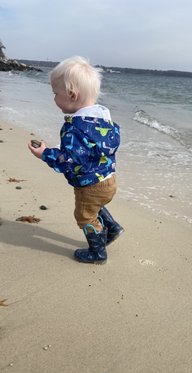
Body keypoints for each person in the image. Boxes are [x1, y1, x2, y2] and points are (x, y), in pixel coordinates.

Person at [28, 56, 124, 264]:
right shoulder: (104, 119)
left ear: (72, 95)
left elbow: (69, 160)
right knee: (94, 206)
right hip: (109, 180)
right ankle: (113, 228)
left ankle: (97, 253)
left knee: (84, 215)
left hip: (90, 185)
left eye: (55, 94)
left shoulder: (76, 128)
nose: (53, 99)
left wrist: (44, 153)